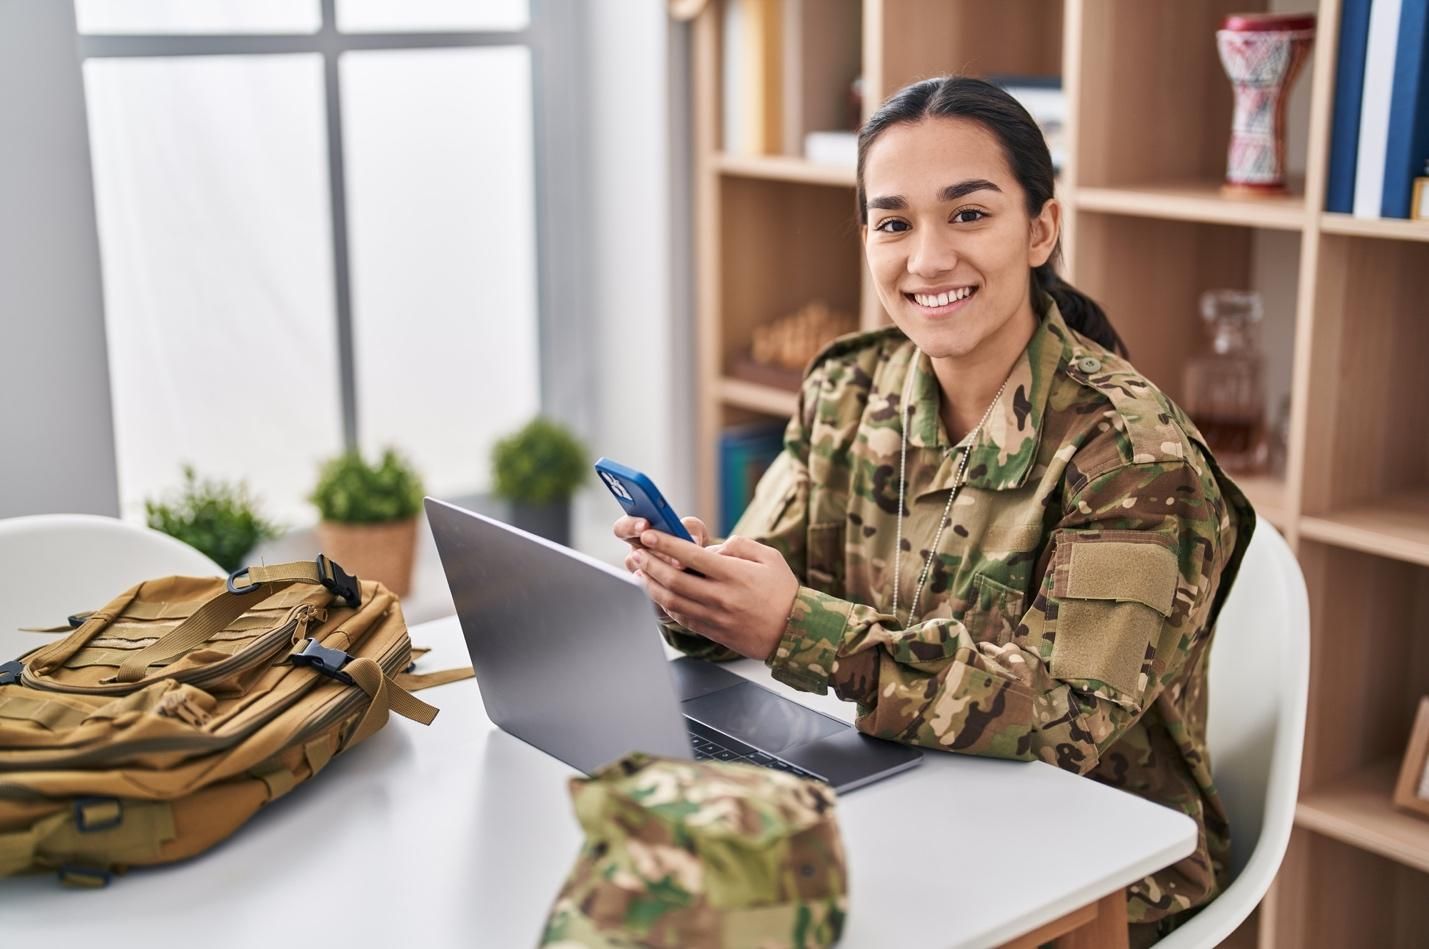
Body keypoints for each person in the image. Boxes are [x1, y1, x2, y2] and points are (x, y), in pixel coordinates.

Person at [612, 75, 1252, 947]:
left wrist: (798, 626)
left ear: (1040, 230)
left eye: (968, 215)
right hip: (893, 802)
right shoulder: (844, 387)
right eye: (893, 223)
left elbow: (1065, 717)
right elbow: (765, 584)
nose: (926, 260)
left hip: (1089, 868)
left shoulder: (1136, 457)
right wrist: (700, 587)